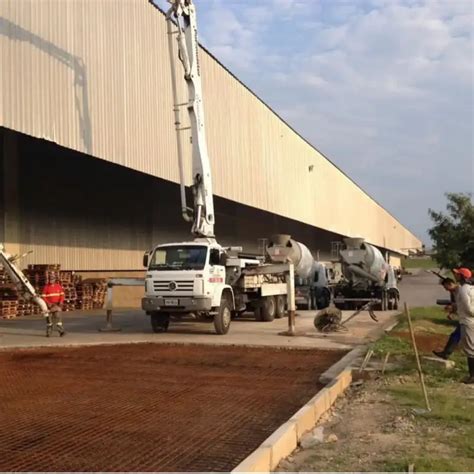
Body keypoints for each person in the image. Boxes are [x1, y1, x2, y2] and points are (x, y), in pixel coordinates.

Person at [440, 268, 474, 384]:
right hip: (468, 320)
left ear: (462, 276)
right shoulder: (470, 288)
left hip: (468, 321)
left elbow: (468, 308)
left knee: (470, 349)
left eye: (458, 274)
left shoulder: (464, 290)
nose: (456, 275)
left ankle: (472, 376)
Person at [433, 277, 461, 360]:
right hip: (465, 318)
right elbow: (455, 304)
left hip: (469, 318)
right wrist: (451, 312)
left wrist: (453, 307)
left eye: (446, 287)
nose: (446, 290)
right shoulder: (453, 292)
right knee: (455, 335)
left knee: (456, 335)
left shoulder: (462, 291)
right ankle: (446, 353)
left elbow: (465, 304)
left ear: (450, 284)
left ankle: (446, 353)